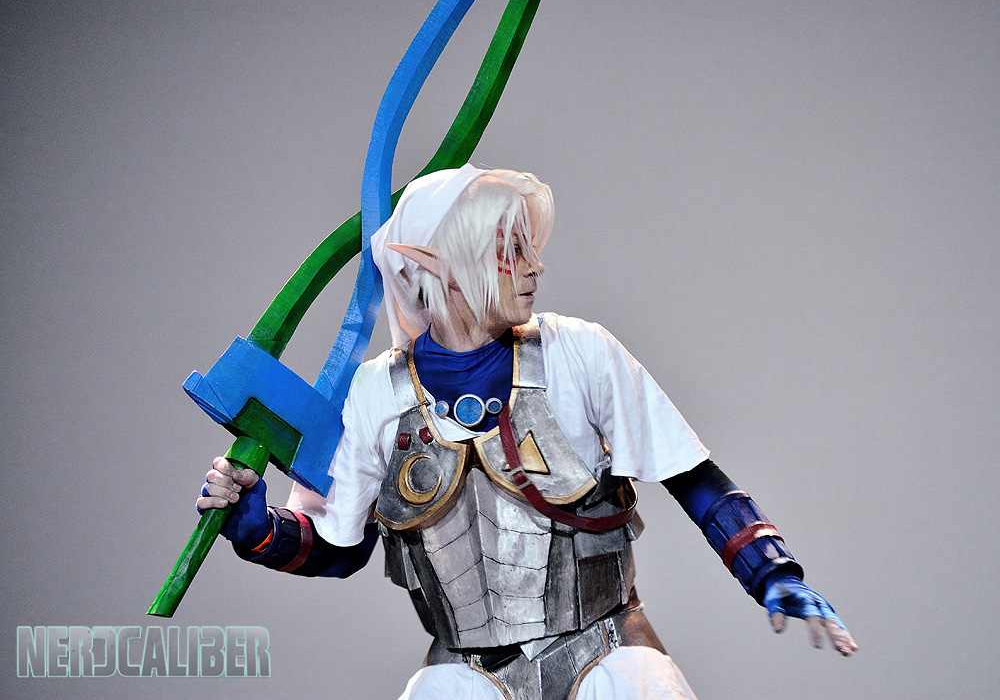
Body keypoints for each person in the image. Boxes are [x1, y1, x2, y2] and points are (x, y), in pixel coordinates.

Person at [197, 164, 857, 699]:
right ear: (442, 265)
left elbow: (691, 476)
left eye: (530, 248)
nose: (535, 266)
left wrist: (772, 571)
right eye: (510, 251)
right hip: (464, 671)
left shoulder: (581, 353)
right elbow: (341, 547)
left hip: (609, 654)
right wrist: (255, 527)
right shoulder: (376, 394)